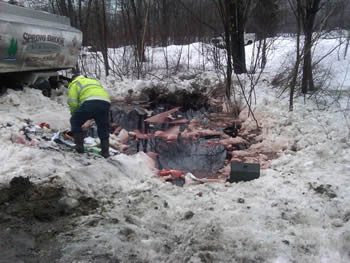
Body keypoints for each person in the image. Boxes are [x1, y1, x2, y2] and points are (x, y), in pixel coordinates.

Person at [67, 75, 111, 158]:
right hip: (105, 102)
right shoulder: (93, 81)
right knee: (103, 126)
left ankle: (79, 148)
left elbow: (73, 102)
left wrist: (74, 114)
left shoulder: (75, 83)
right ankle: (105, 152)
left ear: (73, 79)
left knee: (74, 120)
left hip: (90, 102)